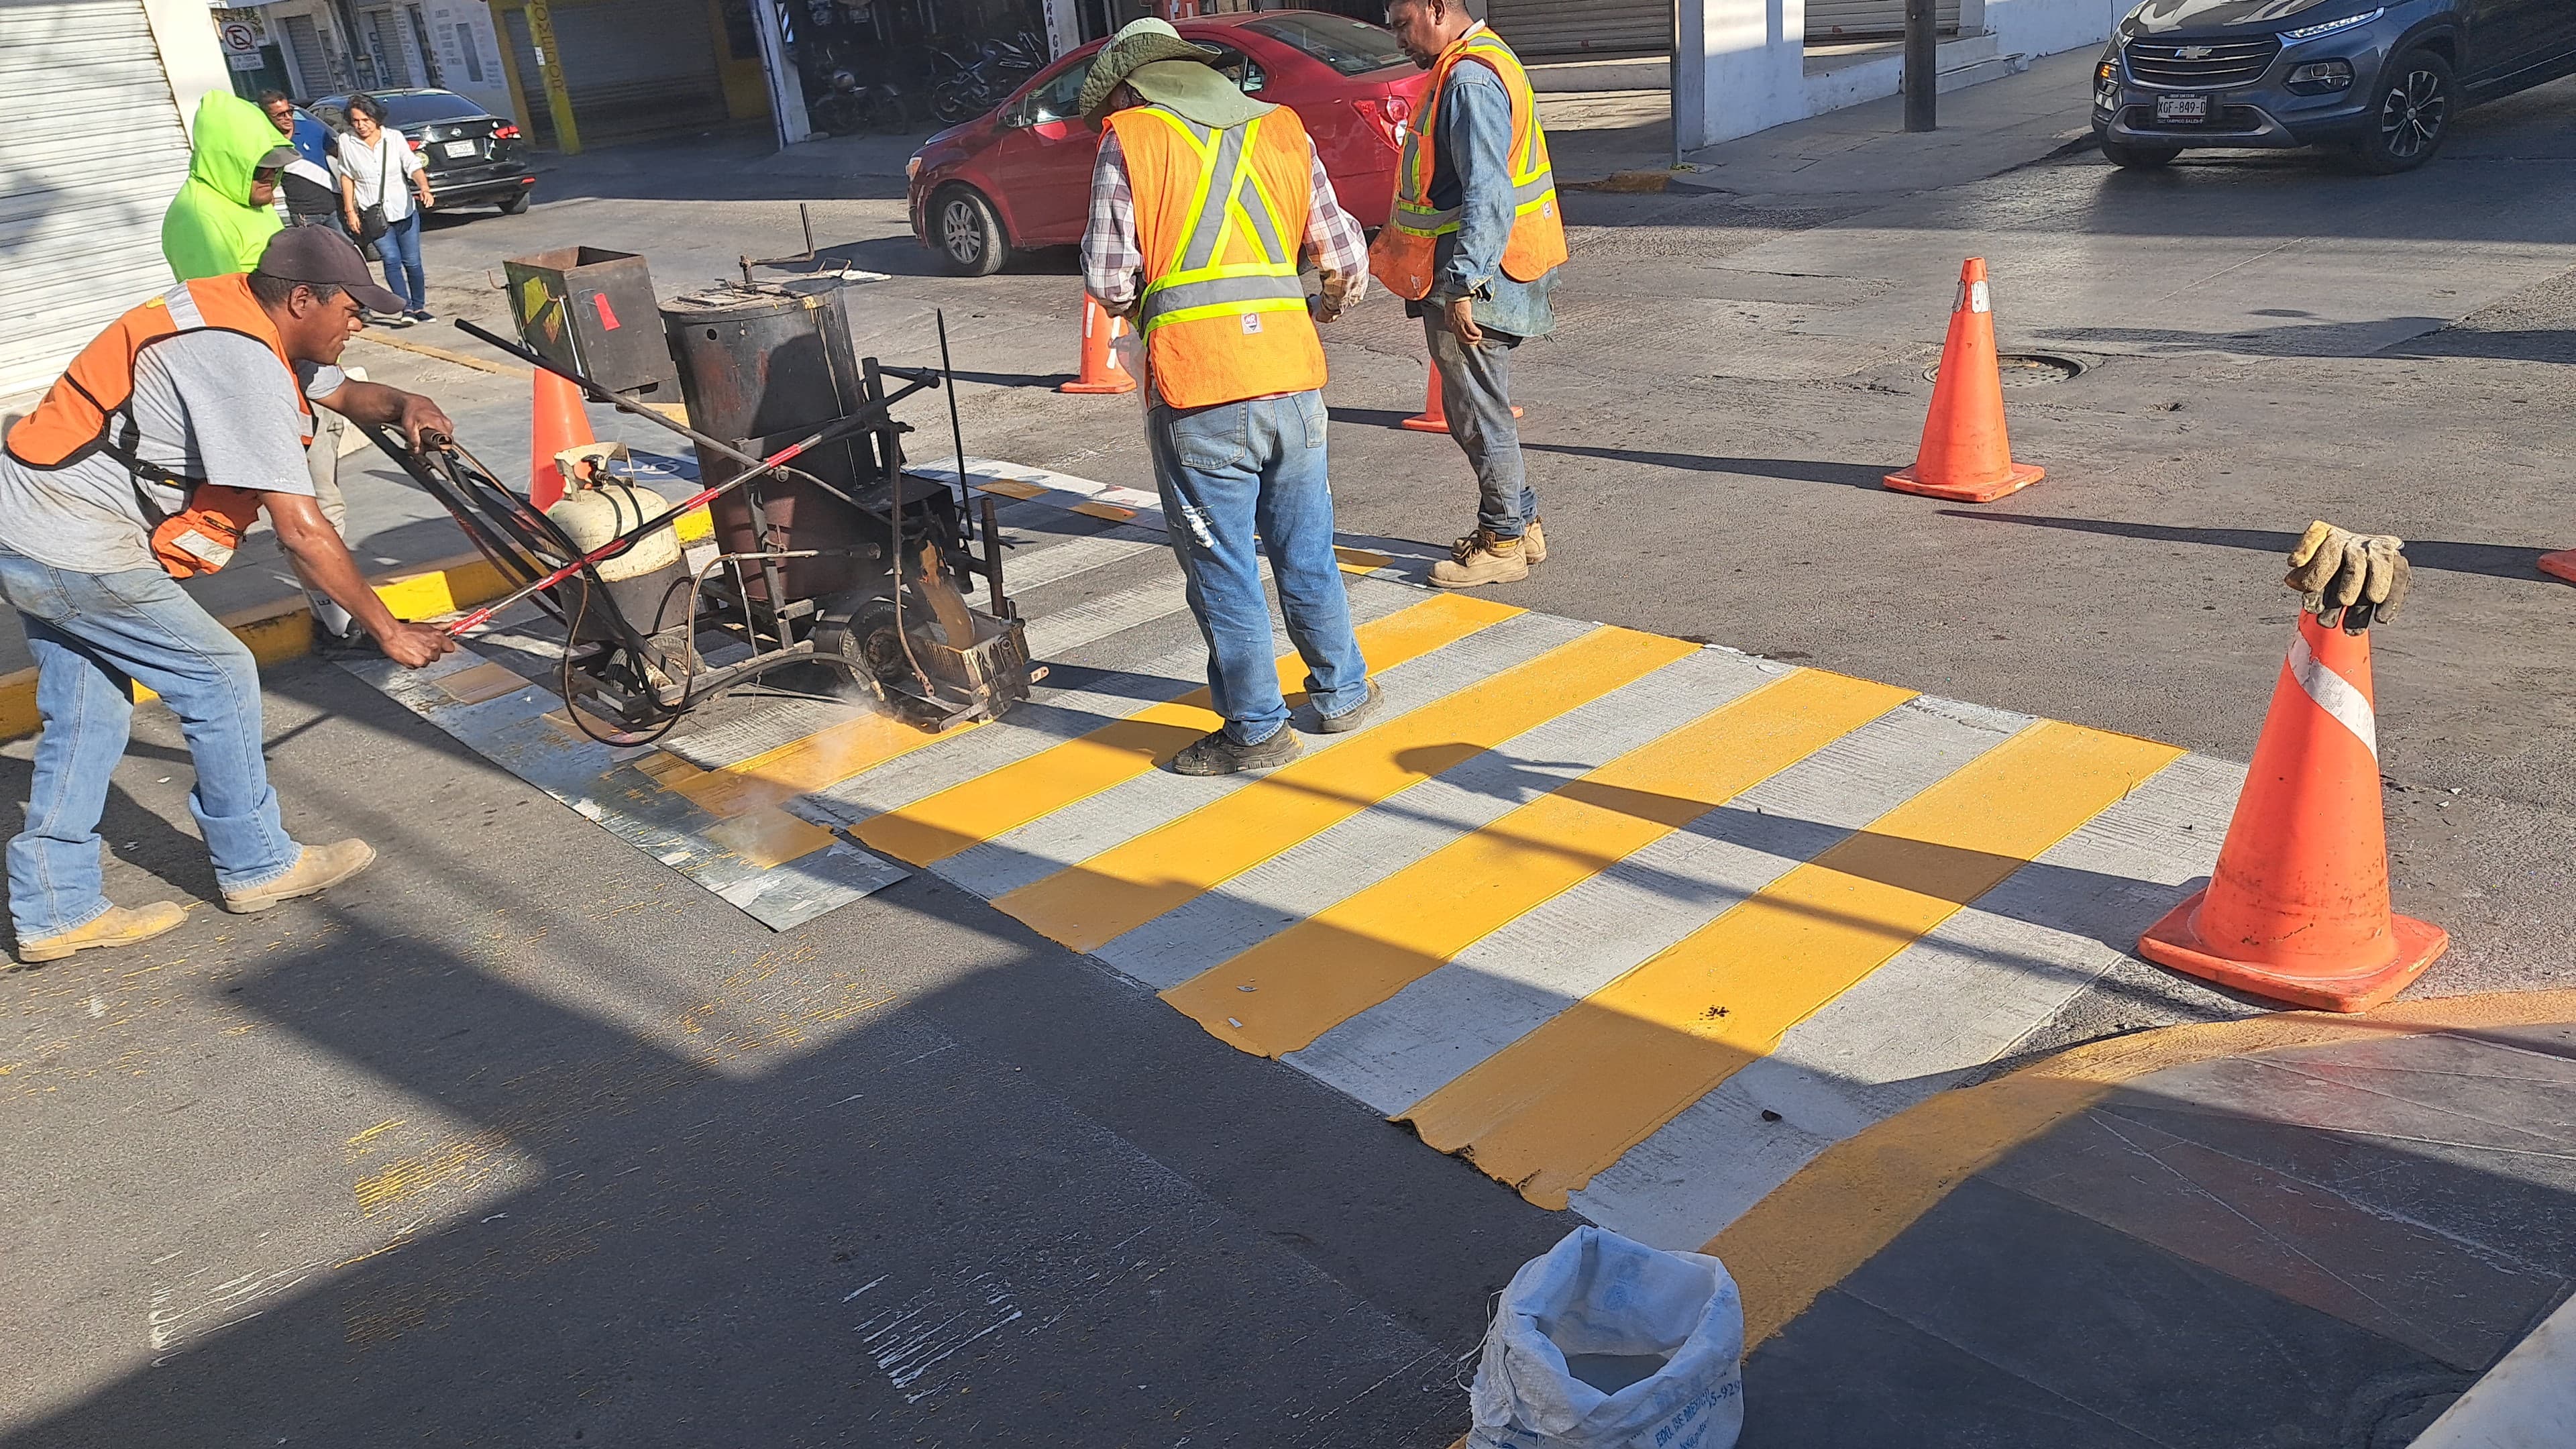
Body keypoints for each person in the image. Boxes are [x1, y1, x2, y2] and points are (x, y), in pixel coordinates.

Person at [0, 228, 460, 965]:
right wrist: (388, 630)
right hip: (76, 544)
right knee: (218, 674)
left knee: (86, 713)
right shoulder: (237, 361)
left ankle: (55, 907)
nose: (358, 323)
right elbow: (303, 533)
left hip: (33, 530)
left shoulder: (244, 316)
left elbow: (341, 393)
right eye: (351, 308)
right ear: (303, 298)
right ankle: (258, 864)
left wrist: (407, 400)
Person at [1077, 19, 1379, 775]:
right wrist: (1314, 304)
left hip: (1201, 388)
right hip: (1292, 376)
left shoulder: (1133, 138)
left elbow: (1110, 281)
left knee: (1224, 568)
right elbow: (1344, 261)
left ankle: (1255, 727)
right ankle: (1343, 692)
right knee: (1306, 547)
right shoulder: (1282, 128)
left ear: (1131, 85)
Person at [1374, 0, 1568, 588]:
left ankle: (1503, 539)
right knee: (1479, 408)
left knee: (1478, 413)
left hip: (1479, 275)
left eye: (1403, 23)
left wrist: (1463, 285)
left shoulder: (1470, 79)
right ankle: (1521, 522)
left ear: (1436, 8)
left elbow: (1488, 194)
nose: (1398, 37)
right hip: (1490, 268)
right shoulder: (1481, 60)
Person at [160, 92, 293, 282]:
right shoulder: (197, 218)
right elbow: (221, 305)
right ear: (226, 162)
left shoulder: (249, 197)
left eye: (275, 166)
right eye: (259, 169)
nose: (270, 176)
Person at [333, 94, 436, 325]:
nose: (361, 126)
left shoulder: (394, 138)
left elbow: (412, 166)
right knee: (391, 259)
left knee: (413, 262)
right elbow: (347, 176)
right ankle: (405, 308)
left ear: (376, 118)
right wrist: (350, 211)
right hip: (374, 213)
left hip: (403, 208)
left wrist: (424, 188)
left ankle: (419, 307)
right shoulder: (347, 142)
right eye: (356, 121)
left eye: (365, 120)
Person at [258, 89, 346, 237]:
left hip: (334, 209)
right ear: (266, 116)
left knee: (346, 252)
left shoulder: (312, 128)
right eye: (280, 115)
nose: (287, 118)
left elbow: (342, 159)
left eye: (289, 112)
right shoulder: (264, 140)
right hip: (303, 214)